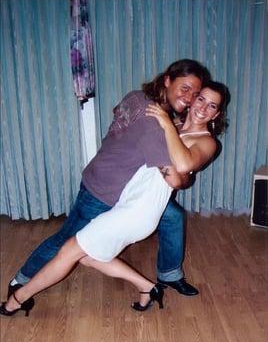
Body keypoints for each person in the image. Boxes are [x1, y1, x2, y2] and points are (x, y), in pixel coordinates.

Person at [0, 81, 230, 316]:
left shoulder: (208, 142)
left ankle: (17, 300)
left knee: (69, 250)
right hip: (127, 201)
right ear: (193, 99)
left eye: (212, 106)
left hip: (139, 212)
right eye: (200, 99)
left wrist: (164, 123)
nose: (203, 108)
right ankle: (147, 288)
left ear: (217, 114)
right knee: (87, 257)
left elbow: (183, 164)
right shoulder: (175, 124)